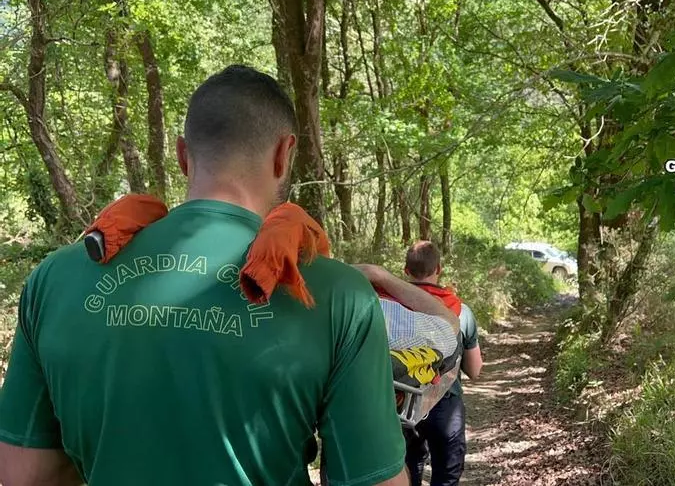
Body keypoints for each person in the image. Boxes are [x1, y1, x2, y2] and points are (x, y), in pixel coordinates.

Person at [0, 65, 410, 486]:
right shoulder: (338, 295)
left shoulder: (55, 280)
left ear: (182, 155)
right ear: (284, 155)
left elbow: (24, 476)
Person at [402, 241, 483, 486]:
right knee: (447, 475)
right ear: (439, 268)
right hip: (444, 404)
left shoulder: (388, 305)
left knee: (407, 467)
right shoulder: (461, 312)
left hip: (400, 404)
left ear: (406, 271)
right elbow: (474, 369)